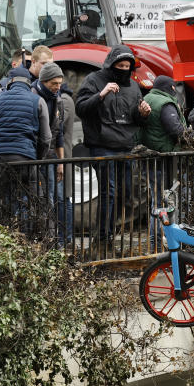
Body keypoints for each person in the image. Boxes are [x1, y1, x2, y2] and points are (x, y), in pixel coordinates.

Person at [74, 45, 150, 249]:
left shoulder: (134, 87)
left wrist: (142, 112)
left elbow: (135, 118)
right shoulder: (94, 80)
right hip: (102, 144)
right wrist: (101, 94)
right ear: (111, 64)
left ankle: (109, 234)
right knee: (109, 191)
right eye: (120, 65)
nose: (124, 69)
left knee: (124, 193)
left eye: (127, 66)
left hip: (125, 145)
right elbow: (80, 108)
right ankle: (102, 238)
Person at [0, 66, 52, 232]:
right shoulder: (37, 101)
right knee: (28, 200)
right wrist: (37, 159)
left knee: (4, 200)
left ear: (9, 82)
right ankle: (25, 239)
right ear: (29, 83)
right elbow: (46, 138)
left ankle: (6, 240)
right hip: (25, 158)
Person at [138, 74, 194, 251]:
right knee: (165, 204)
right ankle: (164, 245)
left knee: (157, 202)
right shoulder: (165, 103)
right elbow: (176, 129)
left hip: (153, 158)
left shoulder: (148, 98)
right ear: (170, 88)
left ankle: (155, 246)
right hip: (164, 159)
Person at [32, 61, 73, 246]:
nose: (57, 87)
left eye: (59, 83)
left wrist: (61, 161)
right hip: (34, 155)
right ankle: (46, 240)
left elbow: (59, 134)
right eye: (53, 83)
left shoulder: (58, 100)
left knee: (56, 197)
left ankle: (60, 241)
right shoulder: (32, 96)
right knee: (42, 198)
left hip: (51, 155)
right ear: (43, 81)